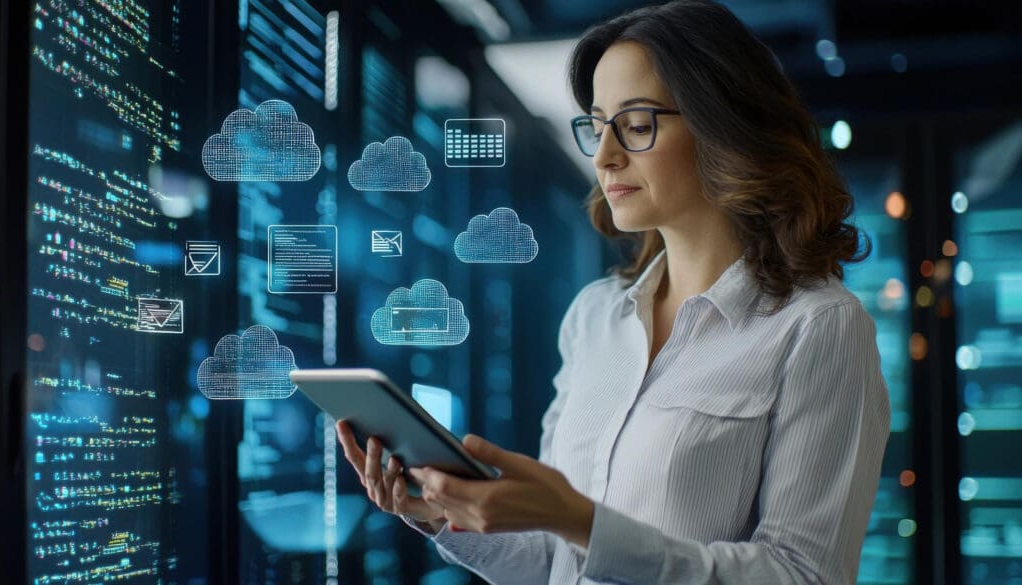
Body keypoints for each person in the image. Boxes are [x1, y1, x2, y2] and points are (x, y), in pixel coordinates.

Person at [337, 0, 891, 583]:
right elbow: (554, 564)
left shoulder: (819, 327)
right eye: (597, 126)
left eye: (635, 124)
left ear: (723, 124)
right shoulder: (593, 317)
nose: (604, 156)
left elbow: (805, 574)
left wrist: (583, 522)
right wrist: (443, 516)